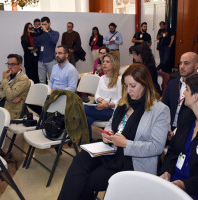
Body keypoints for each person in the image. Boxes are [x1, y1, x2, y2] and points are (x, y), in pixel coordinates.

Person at [58, 63, 170, 200]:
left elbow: (157, 147)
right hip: (111, 150)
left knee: (85, 181)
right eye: (126, 86)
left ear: (145, 84)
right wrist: (108, 134)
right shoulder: (124, 103)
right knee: (80, 161)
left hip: (131, 161)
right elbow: (111, 125)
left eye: (133, 86)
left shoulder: (160, 110)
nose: (128, 90)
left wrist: (126, 144)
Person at [84, 53, 122, 141]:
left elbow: (121, 100)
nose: (104, 63)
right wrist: (102, 101)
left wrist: (108, 105)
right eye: (103, 61)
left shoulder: (119, 79)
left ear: (114, 64)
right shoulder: (102, 78)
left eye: (107, 62)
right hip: (101, 107)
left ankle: (85, 143)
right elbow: (97, 95)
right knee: (86, 118)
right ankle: (88, 141)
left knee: (83, 109)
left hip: (112, 111)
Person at [162, 52, 198, 133]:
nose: (181, 67)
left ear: (196, 66)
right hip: (169, 128)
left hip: (190, 130)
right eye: (180, 63)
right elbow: (164, 106)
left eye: (186, 63)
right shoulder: (173, 83)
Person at [33, 16, 59, 84]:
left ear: (49, 23)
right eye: (42, 24)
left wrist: (47, 31)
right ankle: (44, 94)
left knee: (52, 80)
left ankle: (52, 94)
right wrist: (35, 36)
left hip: (50, 60)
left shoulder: (55, 33)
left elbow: (54, 41)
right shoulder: (40, 34)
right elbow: (35, 46)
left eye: (45, 24)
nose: (43, 26)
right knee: (41, 81)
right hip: (41, 60)